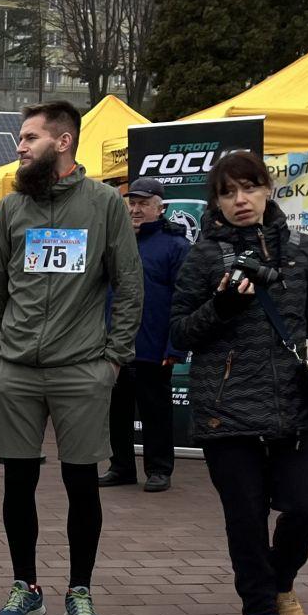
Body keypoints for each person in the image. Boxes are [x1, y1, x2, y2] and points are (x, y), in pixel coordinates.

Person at [170, 151, 308, 615]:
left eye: (249, 187)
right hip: (226, 406)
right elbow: (178, 332)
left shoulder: (302, 249)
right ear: (215, 201)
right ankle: (259, 609)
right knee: (246, 515)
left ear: (267, 189)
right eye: (227, 192)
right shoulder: (202, 256)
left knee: (307, 504)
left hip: (290, 404)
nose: (240, 200)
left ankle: (281, 582)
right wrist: (222, 306)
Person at [0, 102, 141, 615]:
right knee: (17, 483)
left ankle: (79, 590)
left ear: (63, 141)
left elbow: (129, 284)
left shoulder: (103, 206)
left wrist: (113, 358)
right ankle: (27, 586)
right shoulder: (12, 208)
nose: (19, 147)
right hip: (16, 371)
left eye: (28, 138)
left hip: (82, 370)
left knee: (81, 484)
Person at [102, 177, 190, 492]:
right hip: (115, 346)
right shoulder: (115, 239)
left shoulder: (176, 245)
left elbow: (184, 299)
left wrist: (174, 347)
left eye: (143, 204)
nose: (136, 210)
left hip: (154, 346)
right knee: (116, 411)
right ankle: (121, 466)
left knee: (156, 411)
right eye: (133, 203)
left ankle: (159, 469)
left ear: (160, 207)